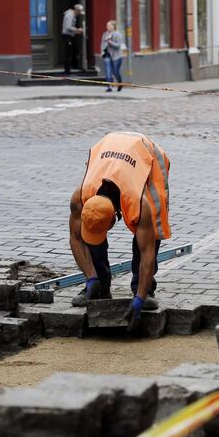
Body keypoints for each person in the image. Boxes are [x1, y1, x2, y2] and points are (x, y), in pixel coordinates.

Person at [69, 132, 171, 331]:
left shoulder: (139, 203)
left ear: (113, 221)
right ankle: (100, 288)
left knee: (151, 227)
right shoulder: (80, 198)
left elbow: (147, 251)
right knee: (92, 236)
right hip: (108, 147)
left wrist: (140, 297)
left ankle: (145, 288)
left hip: (148, 156)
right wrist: (91, 277)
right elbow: (75, 237)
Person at [101, 20, 123, 92]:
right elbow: (102, 44)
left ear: (113, 26)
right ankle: (109, 87)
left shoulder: (117, 34)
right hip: (107, 55)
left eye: (109, 25)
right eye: (107, 25)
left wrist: (110, 42)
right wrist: (102, 51)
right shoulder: (105, 34)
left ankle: (120, 83)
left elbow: (118, 46)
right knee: (108, 71)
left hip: (116, 56)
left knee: (115, 72)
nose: (107, 27)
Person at [62, 4, 85, 75]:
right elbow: (68, 27)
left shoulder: (72, 15)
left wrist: (77, 31)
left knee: (72, 51)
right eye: (79, 12)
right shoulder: (70, 15)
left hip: (70, 36)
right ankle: (67, 71)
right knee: (68, 53)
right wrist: (78, 29)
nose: (79, 14)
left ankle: (71, 67)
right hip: (67, 36)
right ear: (76, 10)